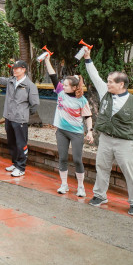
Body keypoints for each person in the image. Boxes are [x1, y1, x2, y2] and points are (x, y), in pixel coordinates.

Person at [82, 48, 133, 216]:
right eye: (108, 81)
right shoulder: (105, 93)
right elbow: (94, 76)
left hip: (125, 142)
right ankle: (99, 195)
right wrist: (88, 58)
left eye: (111, 82)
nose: (107, 84)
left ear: (121, 84)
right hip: (105, 139)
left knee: (130, 172)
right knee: (102, 167)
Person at [42, 54, 93, 195]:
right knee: (63, 158)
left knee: (77, 160)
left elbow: (88, 116)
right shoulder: (60, 92)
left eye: (66, 85)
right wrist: (47, 60)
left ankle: (81, 186)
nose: (62, 86)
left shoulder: (82, 100)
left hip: (76, 133)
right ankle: (64, 184)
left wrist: (89, 131)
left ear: (74, 87)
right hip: (61, 131)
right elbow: (53, 75)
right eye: (63, 84)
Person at [0, 59, 40, 177]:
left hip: (20, 119)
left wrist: (24, 113)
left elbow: (35, 104)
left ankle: (21, 167)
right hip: (9, 117)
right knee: (11, 142)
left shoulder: (29, 85)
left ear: (23, 69)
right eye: (13, 68)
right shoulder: (11, 81)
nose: (14, 70)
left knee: (21, 144)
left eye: (17, 68)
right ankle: (15, 163)